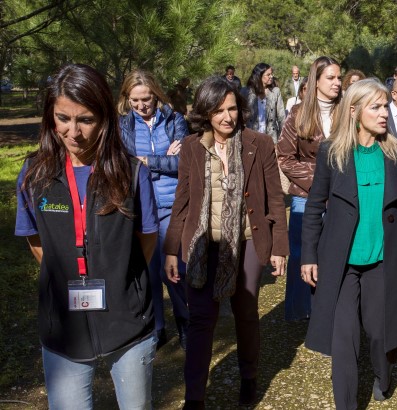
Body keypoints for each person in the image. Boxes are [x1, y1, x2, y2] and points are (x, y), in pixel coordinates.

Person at [15, 63, 159, 409]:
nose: (73, 132)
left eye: (86, 120)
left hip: (127, 326)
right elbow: (36, 239)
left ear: (105, 118)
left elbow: (147, 239)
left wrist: (118, 277)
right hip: (62, 329)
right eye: (63, 118)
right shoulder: (35, 174)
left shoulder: (132, 173)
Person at [164, 76, 289, 408]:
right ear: (206, 112)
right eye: (218, 110)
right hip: (204, 246)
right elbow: (183, 201)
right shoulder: (192, 146)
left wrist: (279, 247)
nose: (227, 117)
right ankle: (194, 397)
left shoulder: (259, 143)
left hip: (247, 243)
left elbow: (275, 199)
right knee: (202, 319)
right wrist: (171, 249)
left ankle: (249, 377)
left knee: (246, 313)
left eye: (232, 108)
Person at [300, 78, 397, 410]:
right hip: (342, 264)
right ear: (354, 111)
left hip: (382, 261)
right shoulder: (331, 153)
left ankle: (384, 374)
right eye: (376, 107)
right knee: (344, 342)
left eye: (385, 107)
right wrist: (309, 254)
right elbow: (314, 206)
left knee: (380, 333)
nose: (385, 114)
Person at [118, 69, 190, 349]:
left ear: (156, 96)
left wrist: (149, 161)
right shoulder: (123, 126)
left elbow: (185, 164)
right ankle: (156, 327)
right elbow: (124, 166)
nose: (141, 106)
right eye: (134, 101)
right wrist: (162, 159)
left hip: (173, 206)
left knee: (174, 271)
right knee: (148, 273)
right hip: (141, 208)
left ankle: (185, 322)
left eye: (146, 99)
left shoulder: (174, 120)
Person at [277, 56, 342, 322]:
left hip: (342, 195)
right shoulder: (298, 113)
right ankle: (299, 308)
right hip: (306, 196)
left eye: (339, 77)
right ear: (316, 81)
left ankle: (331, 309)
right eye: (331, 78)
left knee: (337, 254)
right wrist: (318, 185)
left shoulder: (348, 112)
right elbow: (285, 157)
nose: (337, 83)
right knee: (302, 253)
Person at [241, 63, 286, 143]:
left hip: (270, 138)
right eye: (268, 74)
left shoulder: (275, 92)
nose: (271, 76)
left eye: (271, 74)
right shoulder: (246, 92)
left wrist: (282, 139)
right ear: (259, 76)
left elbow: (281, 117)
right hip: (251, 138)